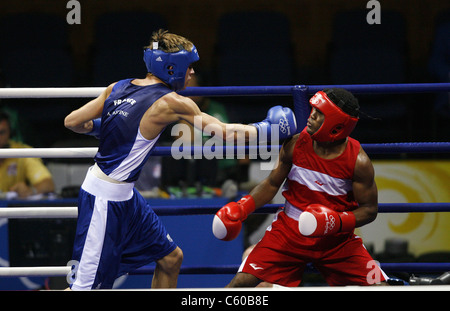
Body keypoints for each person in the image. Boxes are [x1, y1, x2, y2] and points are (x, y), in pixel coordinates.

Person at [64, 29, 297, 290]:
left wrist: (107, 126)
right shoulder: (172, 102)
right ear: (172, 68)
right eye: (190, 67)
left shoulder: (117, 86)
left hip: (127, 197)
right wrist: (268, 129)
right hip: (104, 200)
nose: (193, 73)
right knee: (84, 288)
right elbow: (225, 133)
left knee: (170, 258)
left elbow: (73, 122)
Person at [213, 88, 389, 287]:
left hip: (337, 241)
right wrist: (242, 207)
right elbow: (271, 184)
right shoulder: (296, 143)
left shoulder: (358, 161)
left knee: (381, 288)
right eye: (313, 108)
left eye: (320, 112)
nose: (311, 114)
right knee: (240, 283)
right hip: (289, 232)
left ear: (336, 124)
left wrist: (335, 222)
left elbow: (369, 210)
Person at [0, 111, 55, 198]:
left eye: (2, 132)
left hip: (11, 209)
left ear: (10, 132)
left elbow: (48, 184)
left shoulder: (22, 151)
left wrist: (30, 190)